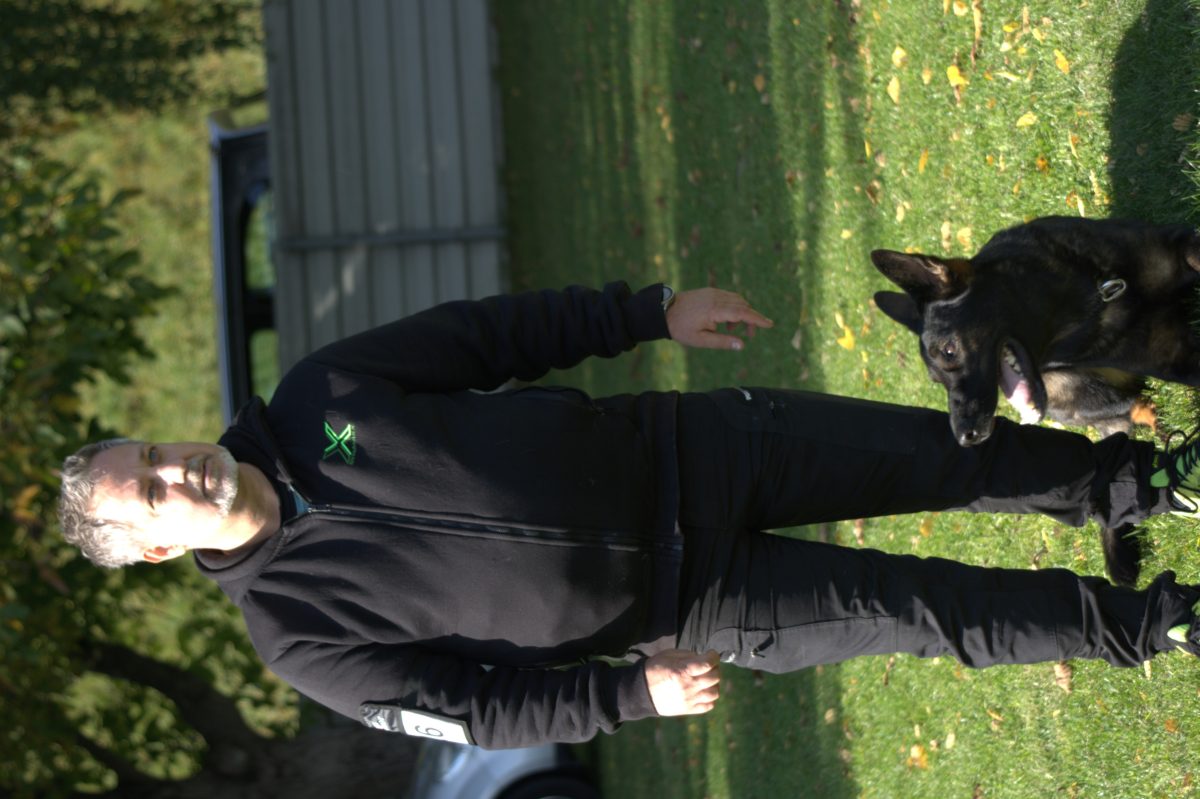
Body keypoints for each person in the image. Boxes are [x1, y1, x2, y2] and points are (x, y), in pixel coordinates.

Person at [58, 282, 1200, 750]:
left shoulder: (319, 397)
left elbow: (490, 335)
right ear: (155, 547)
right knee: (926, 611)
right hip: (692, 604)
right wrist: (627, 695)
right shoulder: (295, 635)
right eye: (151, 490)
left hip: (697, 446)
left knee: (935, 454)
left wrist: (650, 312)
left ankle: (1140, 484)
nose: (177, 470)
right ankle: (1158, 622)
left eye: (153, 451)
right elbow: (471, 712)